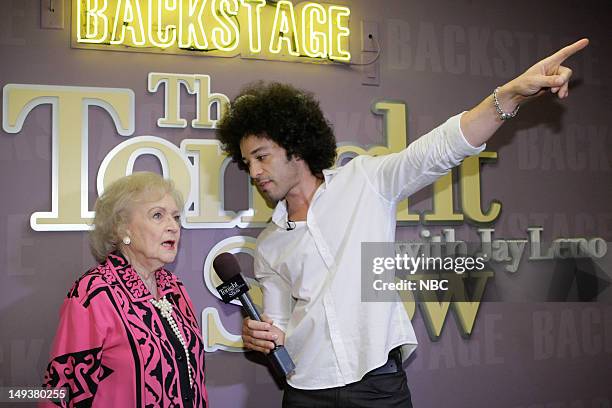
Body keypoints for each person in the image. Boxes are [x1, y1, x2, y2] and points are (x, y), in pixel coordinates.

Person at [216, 39, 589, 407]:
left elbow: (438, 150)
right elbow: (277, 325)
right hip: (305, 390)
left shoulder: (364, 180)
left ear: (294, 146)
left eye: (262, 157)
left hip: (378, 384)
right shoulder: (268, 244)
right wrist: (261, 335)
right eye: (247, 163)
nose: (255, 172)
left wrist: (508, 96)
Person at [41, 172, 208, 407]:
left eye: (176, 217)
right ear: (122, 229)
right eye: (158, 215)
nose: (173, 227)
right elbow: (62, 393)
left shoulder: (174, 288)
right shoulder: (95, 293)